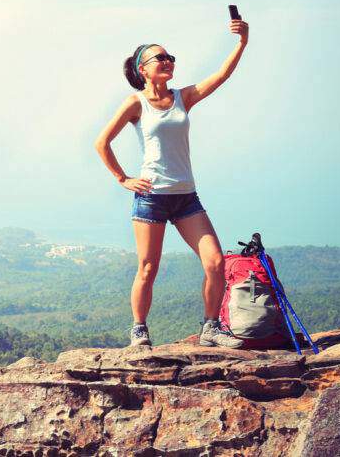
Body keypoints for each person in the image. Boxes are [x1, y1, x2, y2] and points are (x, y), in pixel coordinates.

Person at [94, 19, 250, 347]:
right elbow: (102, 143)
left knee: (216, 262)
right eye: (160, 58)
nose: (168, 61)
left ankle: (211, 327)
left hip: (186, 196)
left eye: (170, 57)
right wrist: (123, 178)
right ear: (142, 69)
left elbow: (220, 76)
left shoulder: (183, 97)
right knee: (148, 268)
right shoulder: (134, 103)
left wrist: (241, 43)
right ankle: (139, 329)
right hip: (152, 197)